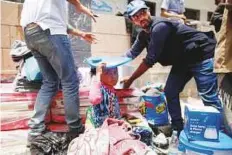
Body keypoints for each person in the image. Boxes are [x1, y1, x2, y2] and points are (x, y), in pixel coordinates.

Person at [122, 0, 222, 136]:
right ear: (132, 20)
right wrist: (109, 64)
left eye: (143, 13)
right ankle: (178, 129)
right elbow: (130, 54)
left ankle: (220, 134)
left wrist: (130, 80)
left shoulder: (160, 27)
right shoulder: (143, 35)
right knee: (170, 91)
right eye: (136, 16)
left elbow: (149, 60)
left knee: (208, 97)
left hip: (201, 54)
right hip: (184, 59)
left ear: (148, 12)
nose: (141, 18)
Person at [20, 0, 97, 146]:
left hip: (31, 34)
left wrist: (80, 33)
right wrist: (79, 5)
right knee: (70, 81)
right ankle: (75, 128)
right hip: (49, 32)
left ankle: (35, 129)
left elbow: (51, 19)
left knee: (50, 82)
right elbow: (51, 22)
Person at [86, 64, 121, 128]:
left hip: (111, 125)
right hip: (100, 127)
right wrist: (97, 76)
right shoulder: (99, 88)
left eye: (115, 72)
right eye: (107, 73)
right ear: (99, 75)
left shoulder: (111, 88)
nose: (113, 76)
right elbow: (94, 99)